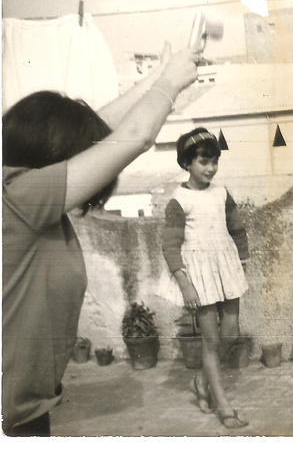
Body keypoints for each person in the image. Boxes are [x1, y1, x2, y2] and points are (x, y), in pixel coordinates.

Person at [2, 43, 199, 436]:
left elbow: (95, 135)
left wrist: (152, 80)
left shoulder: (23, 193)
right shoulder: (19, 195)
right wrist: (170, 84)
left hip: (25, 411)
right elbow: (133, 138)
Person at [161, 127, 249, 429]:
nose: (210, 168)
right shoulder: (178, 201)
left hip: (226, 267)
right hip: (199, 275)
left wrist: (242, 264)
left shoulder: (222, 194)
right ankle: (223, 405)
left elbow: (237, 229)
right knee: (211, 340)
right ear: (187, 163)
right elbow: (170, 246)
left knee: (232, 333)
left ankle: (201, 380)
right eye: (203, 162)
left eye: (214, 162)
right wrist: (186, 285)